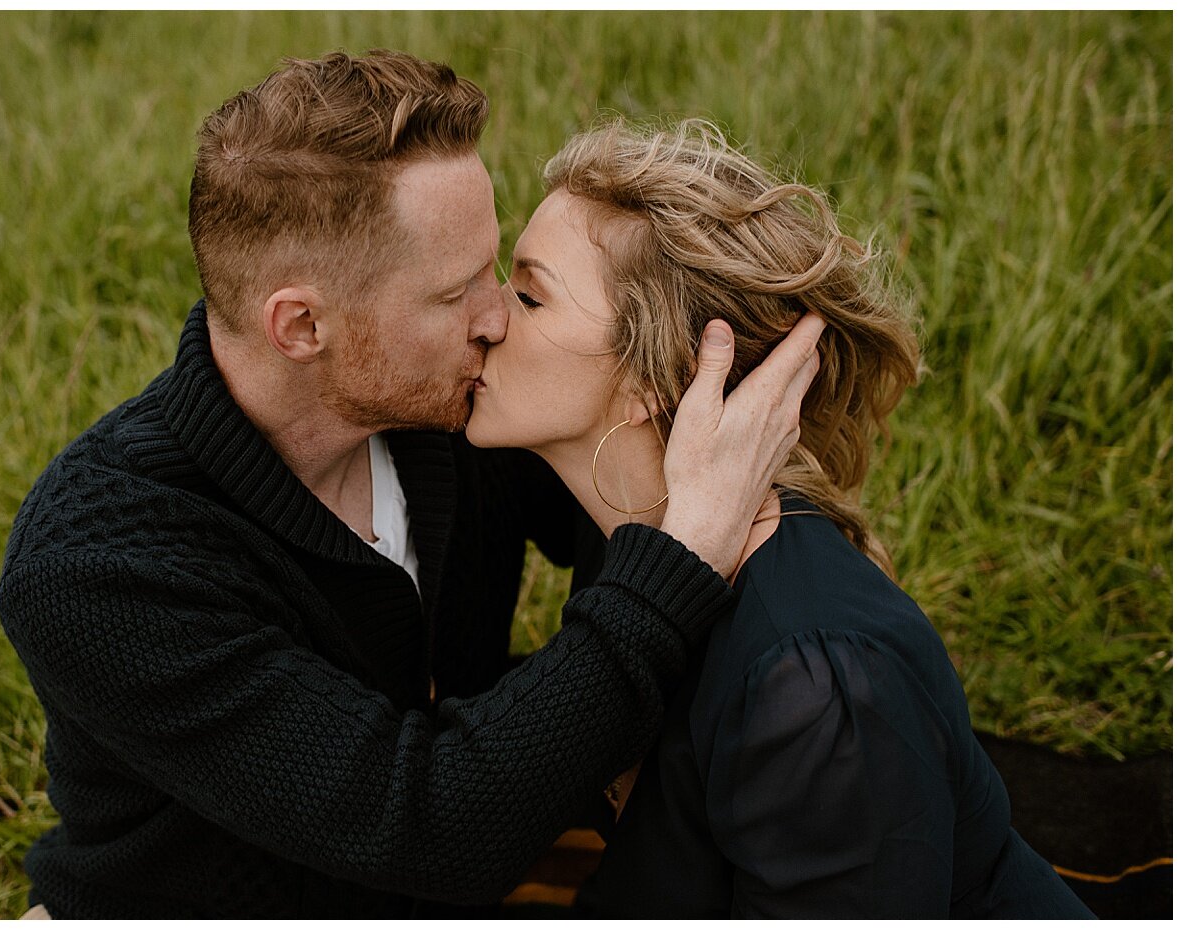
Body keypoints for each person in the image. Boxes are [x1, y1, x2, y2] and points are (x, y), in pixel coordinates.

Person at [0, 52, 822, 918]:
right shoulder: (98, 565)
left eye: (494, 268)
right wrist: (678, 560)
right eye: (454, 292)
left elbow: (613, 499)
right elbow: (430, 827)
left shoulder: (450, 405)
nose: (497, 317)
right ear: (303, 324)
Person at [465, 118, 1094, 918]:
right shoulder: (625, 527)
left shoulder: (815, 689)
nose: (485, 317)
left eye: (528, 294)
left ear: (655, 378)